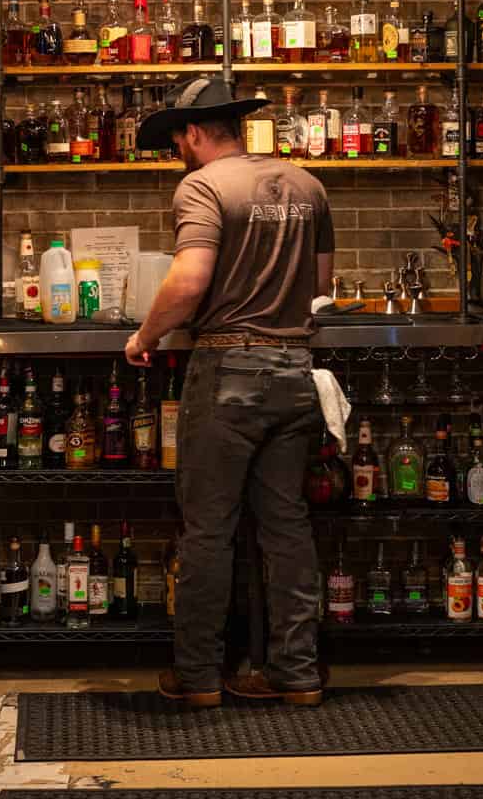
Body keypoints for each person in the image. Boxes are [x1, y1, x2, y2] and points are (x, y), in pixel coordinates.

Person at [125, 77, 334, 708]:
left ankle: (196, 678)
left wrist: (145, 335)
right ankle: (295, 673)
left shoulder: (202, 186)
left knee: (208, 530)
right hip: (297, 371)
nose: (176, 153)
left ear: (192, 132)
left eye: (176, 141)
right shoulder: (307, 185)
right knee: (288, 526)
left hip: (227, 374)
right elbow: (321, 288)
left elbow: (189, 281)